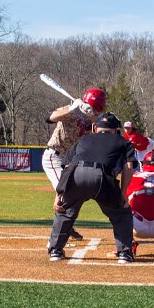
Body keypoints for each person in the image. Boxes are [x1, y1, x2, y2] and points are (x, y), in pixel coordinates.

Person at [47, 112, 138, 264]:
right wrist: (122, 193)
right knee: (121, 213)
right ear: (116, 130)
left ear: (96, 128)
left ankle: (56, 251)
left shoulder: (84, 139)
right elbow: (128, 167)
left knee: (65, 211)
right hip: (102, 177)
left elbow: (67, 167)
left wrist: (59, 194)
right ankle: (124, 254)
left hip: (76, 175)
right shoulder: (123, 142)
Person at [42, 88, 107, 241]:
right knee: (65, 193)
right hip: (55, 156)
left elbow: (102, 127)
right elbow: (50, 117)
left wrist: (90, 114)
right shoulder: (70, 110)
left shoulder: (95, 118)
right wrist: (72, 108)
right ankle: (56, 239)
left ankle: (66, 225)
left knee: (78, 192)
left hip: (72, 160)